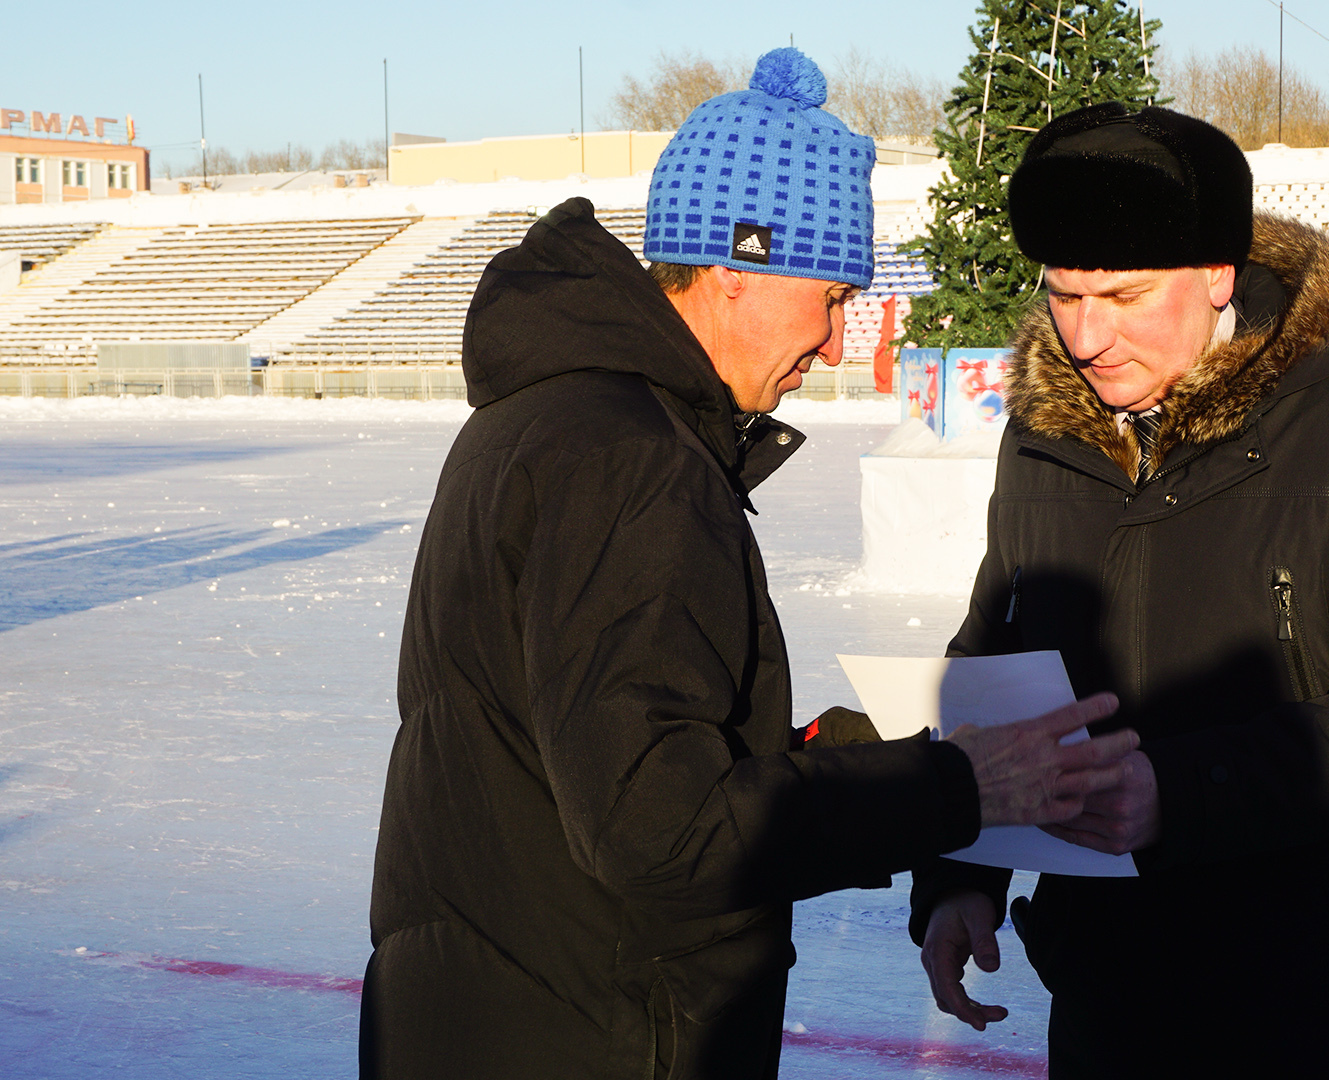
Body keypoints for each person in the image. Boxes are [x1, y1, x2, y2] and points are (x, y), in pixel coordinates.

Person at [360, 50, 1137, 1080]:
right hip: (595, 1028)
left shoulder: (550, 417)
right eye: (829, 295)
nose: (832, 341)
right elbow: (663, 831)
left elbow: (591, 743)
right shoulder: (634, 462)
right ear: (737, 268)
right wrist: (958, 788)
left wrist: (826, 755)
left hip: (495, 1008)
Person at [910, 103, 1329, 1079]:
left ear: (1217, 275)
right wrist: (961, 871)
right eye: (1064, 293)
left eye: (1126, 296)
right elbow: (998, 663)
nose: (1087, 336)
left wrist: (1175, 794)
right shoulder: (1043, 439)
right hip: (1114, 1007)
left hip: (1323, 1012)